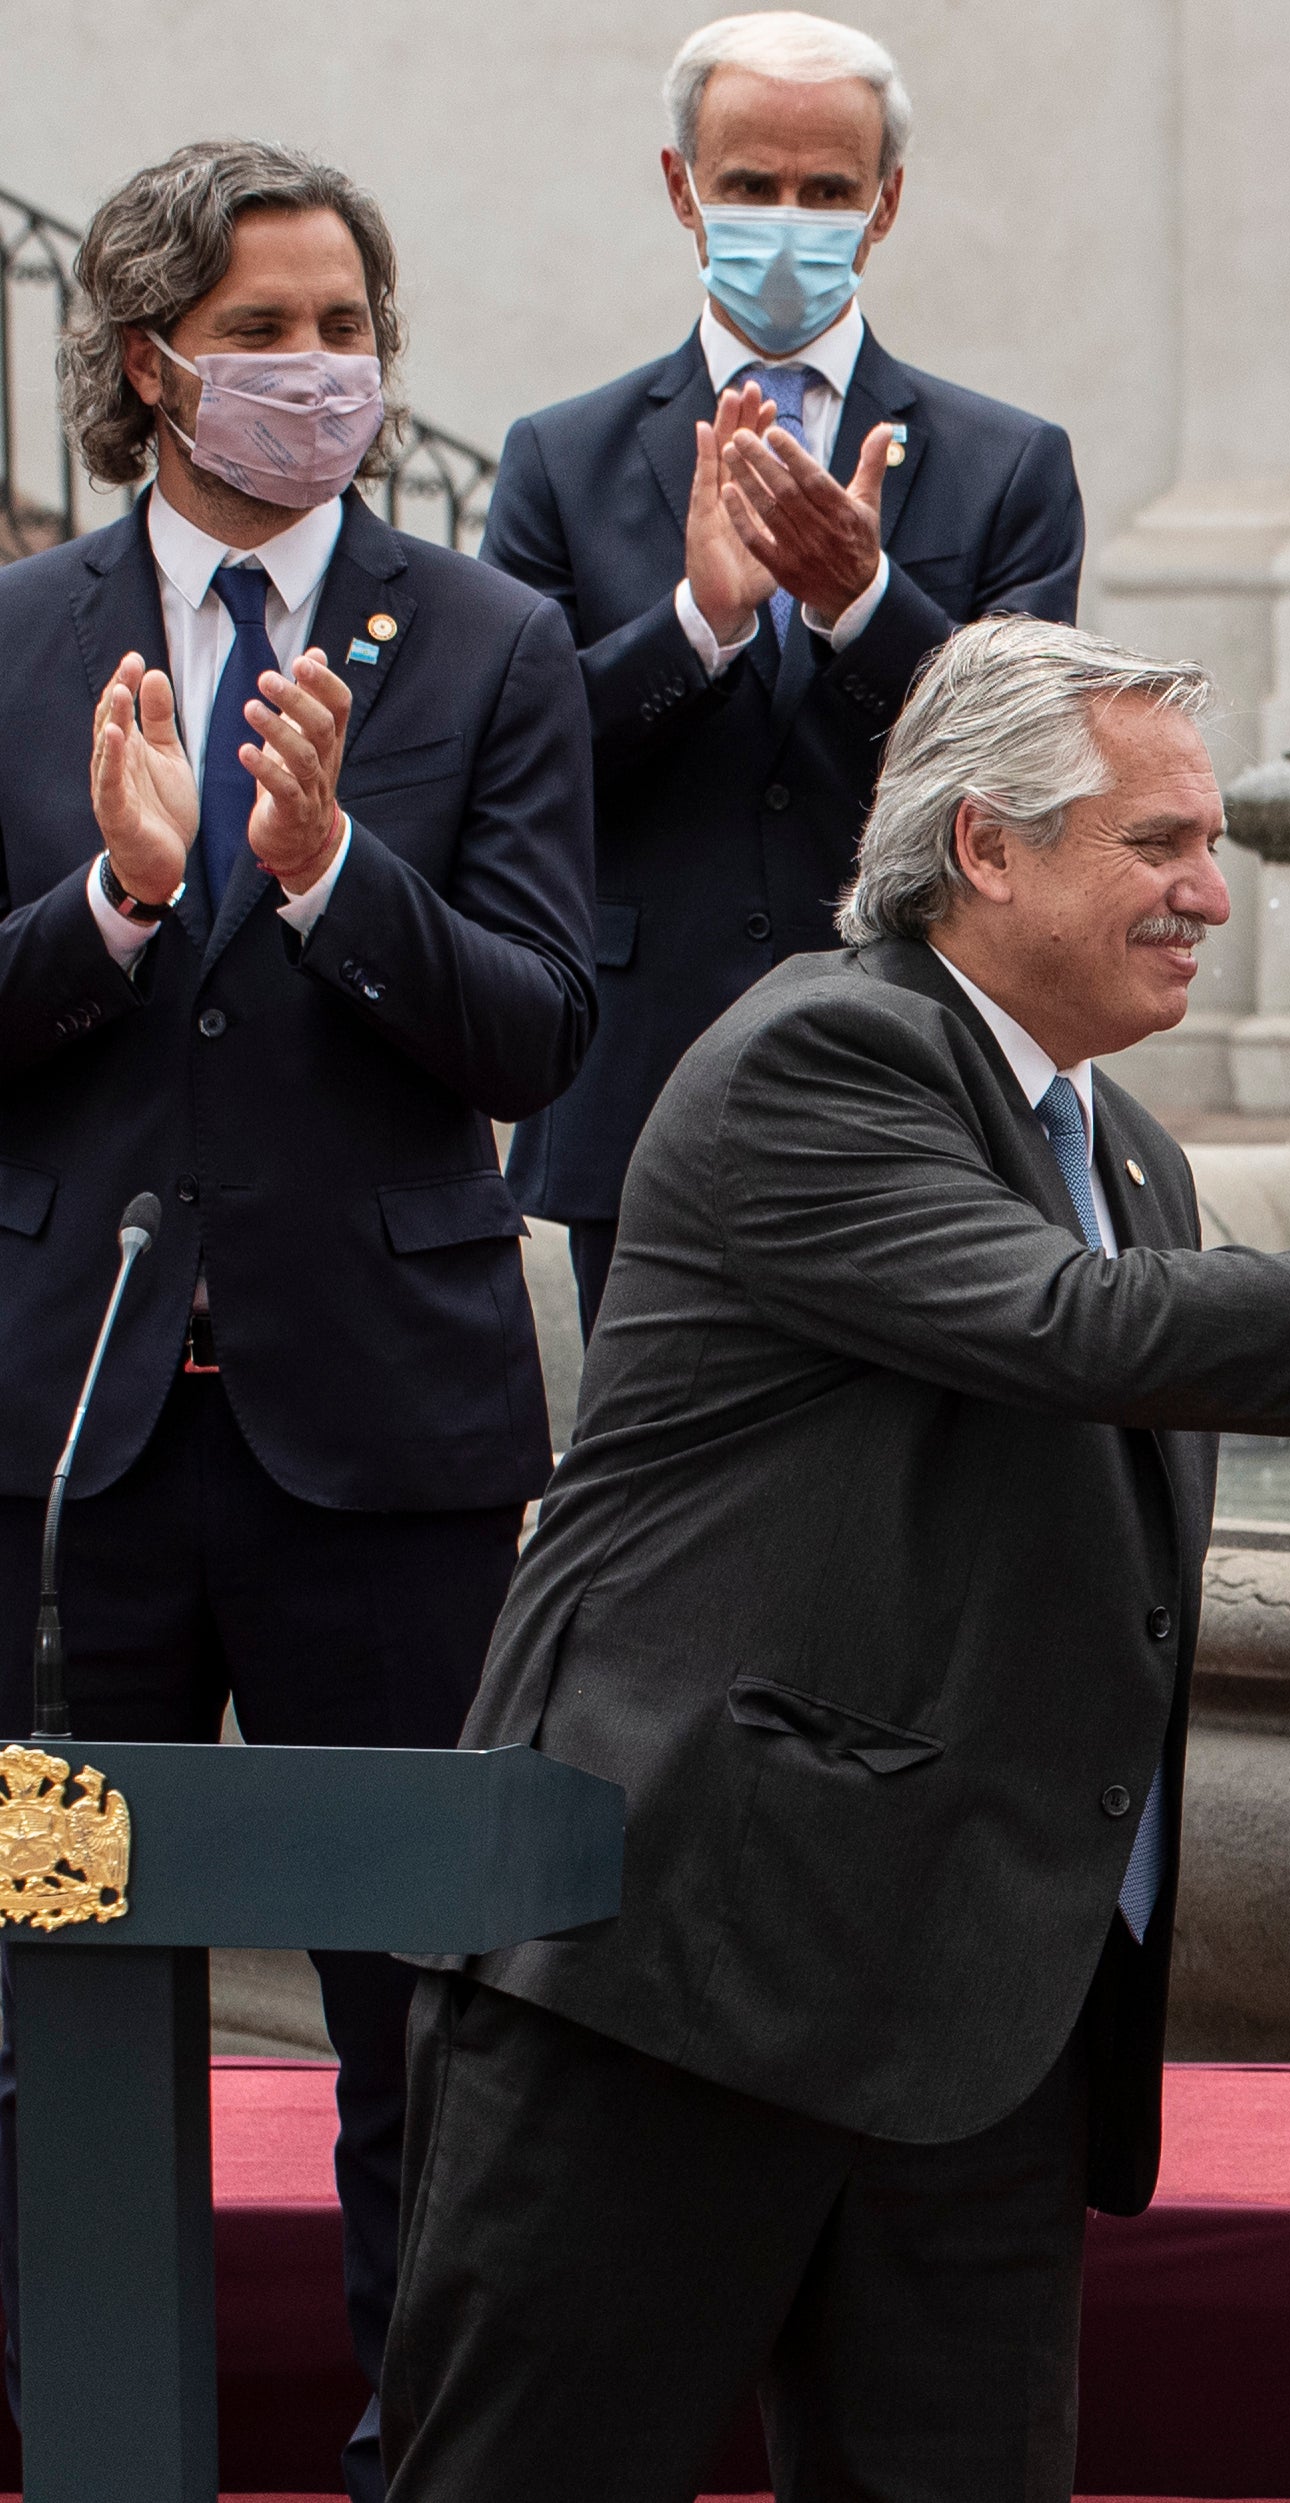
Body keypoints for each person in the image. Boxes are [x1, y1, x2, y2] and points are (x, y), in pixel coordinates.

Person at [377, 619, 1290, 2495]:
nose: (1209, 895)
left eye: (1209, 843)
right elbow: (1082, 1329)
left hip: (975, 2025)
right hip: (682, 1983)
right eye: (1156, 845)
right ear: (984, 847)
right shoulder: (825, 1048)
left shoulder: (1125, 1142)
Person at [0, 141, 590, 2502]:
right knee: (51, 1961)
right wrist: (120, 908)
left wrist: (338, 876)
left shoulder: (491, 641)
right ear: (152, 361)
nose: (322, 373)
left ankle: (414, 2446)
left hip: (390, 1448)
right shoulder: (24, 643)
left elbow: (542, 1028)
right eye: (267, 332)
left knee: (423, 2007)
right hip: (70, 1459)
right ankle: (76, 2430)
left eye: (347, 326)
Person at [490, 8, 1086, 1329]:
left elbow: (1034, 767)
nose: (787, 219)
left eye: (827, 189)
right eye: (750, 184)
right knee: (656, 1505)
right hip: (638, 1070)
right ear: (679, 186)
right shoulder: (560, 458)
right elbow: (521, 766)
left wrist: (862, 602)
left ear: (885, 204)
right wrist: (696, 624)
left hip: (911, 1061)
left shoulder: (1007, 463)